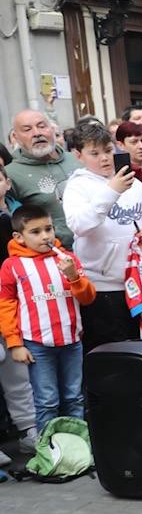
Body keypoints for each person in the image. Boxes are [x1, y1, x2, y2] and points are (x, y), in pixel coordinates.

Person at [61, 120, 142, 352]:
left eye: (107, 150)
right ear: (78, 155)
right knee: (110, 354)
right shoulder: (77, 186)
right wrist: (111, 190)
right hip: (102, 286)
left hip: (138, 280)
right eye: (94, 153)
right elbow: (79, 224)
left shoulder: (133, 183)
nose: (104, 158)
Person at [0, 205, 95, 438]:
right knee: (46, 400)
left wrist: (73, 276)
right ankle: (49, 452)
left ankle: (78, 448)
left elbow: (88, 298)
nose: (45, 236)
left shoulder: (68, 259)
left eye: (48, 229)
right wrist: (15, 343)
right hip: (37, 344)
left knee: (74, 396)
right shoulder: (12, 266)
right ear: (18, 237)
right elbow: (6, 305)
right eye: (35, 232)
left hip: (72, 341)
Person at [0, 166, 37, 460]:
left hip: (15, 307)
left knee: (18, 376)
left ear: (7, 182)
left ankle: (29, 432)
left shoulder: (17, 220)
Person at [7, 110, 80, 249]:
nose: (36, 133)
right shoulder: (11, 174)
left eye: (41, 126)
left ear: (52, 129)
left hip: (99, 247)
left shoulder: (77, 159)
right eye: (27, 129)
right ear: (16, 137)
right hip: (54, 254)